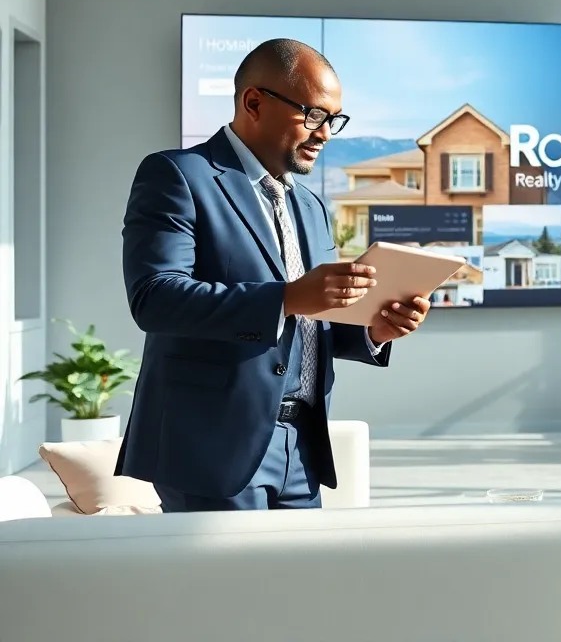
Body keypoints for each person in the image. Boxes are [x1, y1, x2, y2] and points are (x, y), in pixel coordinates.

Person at [117, 38, 431, 513]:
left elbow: (312, 320)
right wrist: (284, 297)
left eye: (334, 120)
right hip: (212, 448)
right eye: (314, 115)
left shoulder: (309, 204)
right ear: (254, 102)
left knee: (299, 588)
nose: (325, 133)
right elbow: (155, 297)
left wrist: (372, 330)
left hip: (302, 448)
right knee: (228, 590)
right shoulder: (178, 175)